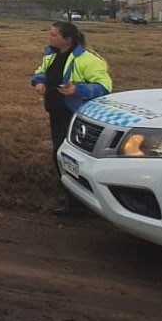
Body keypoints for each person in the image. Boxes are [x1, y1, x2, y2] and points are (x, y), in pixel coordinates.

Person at [31, 21, 112, 216]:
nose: (49, 38)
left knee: (71, 158)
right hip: (57, 114)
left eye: (53, 35)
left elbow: (104, 87)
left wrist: (77, 89)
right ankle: (71, 198)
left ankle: (78, 203)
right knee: (60, 156)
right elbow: (41, 72)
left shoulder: (88, 60)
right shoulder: (51, 56)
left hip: (77, 117)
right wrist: (39, 82)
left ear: (66, 39)